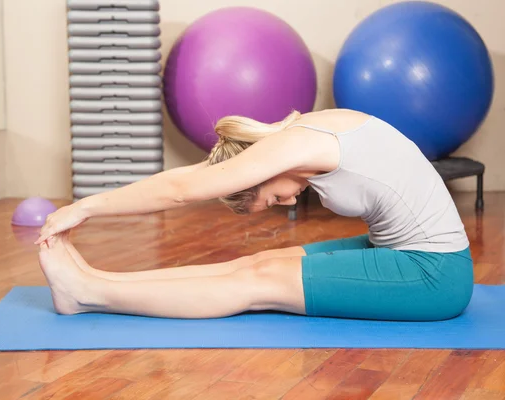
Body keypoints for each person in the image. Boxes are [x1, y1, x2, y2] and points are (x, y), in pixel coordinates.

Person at [35, 108, 473, 321]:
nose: (284, 203)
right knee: (257, 263)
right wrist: (87, 208)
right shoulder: (303, 135)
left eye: (267, 198)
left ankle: (90, 294)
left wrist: (85, 206)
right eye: (274, 200)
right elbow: (192, 176)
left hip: (434, 273)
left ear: (259, 170)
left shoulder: (296, 146)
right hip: (400, 252)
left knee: (256, 284)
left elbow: (181, 191)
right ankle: (98, 279)